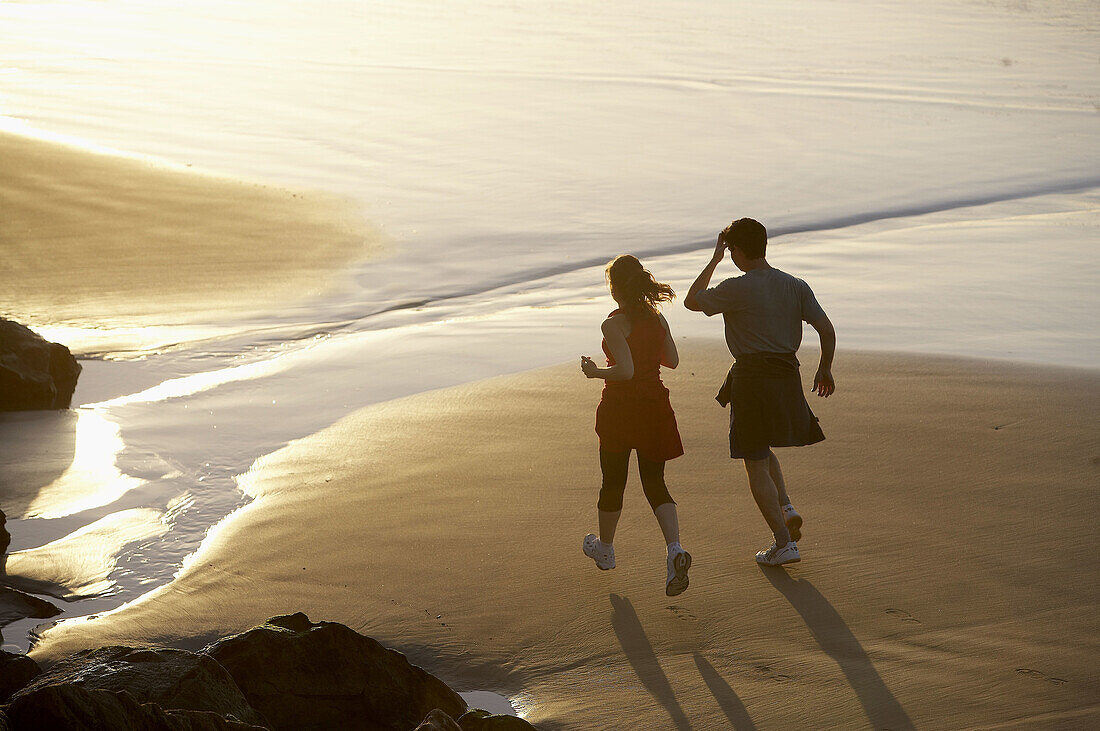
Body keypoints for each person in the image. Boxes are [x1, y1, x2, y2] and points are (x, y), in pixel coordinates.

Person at [684, 218, 835, 567]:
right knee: (762, 449)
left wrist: (714, 259)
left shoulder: (737, 286)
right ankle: (786, 507)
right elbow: (826, 330)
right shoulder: (796, 285)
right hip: (788, 375)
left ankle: (784, 544)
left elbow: (692, 300)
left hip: (752, 379)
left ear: (736, 250)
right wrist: (825, 367)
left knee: (753, 459)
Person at [580, 255, 692, 596]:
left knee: (613, 481)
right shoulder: (657, 320)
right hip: (655, 406)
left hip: (620, 409)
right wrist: (648, 348)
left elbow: (625, 371)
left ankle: (607, 549)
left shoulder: (613, 324)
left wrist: (595, 371)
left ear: (615, 288)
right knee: (655, 482)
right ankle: (674, 549)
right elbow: (672, 361)